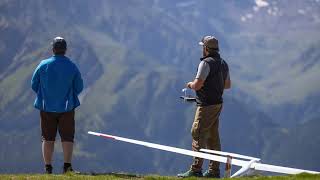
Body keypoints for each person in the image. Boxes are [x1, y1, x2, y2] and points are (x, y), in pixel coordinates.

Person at [177, 35, 231, 178]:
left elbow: (197, 85)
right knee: (213, 137)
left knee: (197, 133)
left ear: (206, 48)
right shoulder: (223, 63)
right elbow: (227, 85)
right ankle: (214, 171)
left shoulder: (205, 63)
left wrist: (190, 84)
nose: (202, 49)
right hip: (218, 104)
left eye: (203, 47)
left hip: (206, 105)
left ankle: (196, 170)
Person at [31, 37, 83, 174]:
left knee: (47, 137)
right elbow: (79, 87)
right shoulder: (72, 66)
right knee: (67, 137)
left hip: (46, 107)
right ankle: (67, 167)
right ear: (65, 50)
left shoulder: (43, 65)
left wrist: (45, 95)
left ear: (53, 49)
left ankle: (48, 168)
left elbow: (34, 84)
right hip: (67, 108)